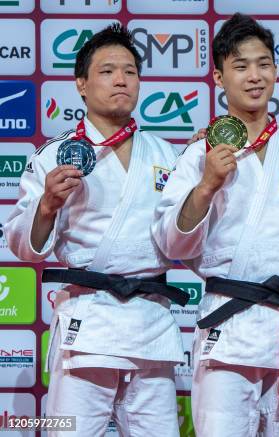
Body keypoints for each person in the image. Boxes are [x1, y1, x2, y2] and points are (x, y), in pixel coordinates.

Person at [151, 14, 279, 437]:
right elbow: (171, 242)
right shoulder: (199, 155)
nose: (255, 76)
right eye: (241, 65)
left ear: (276, 70)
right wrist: (208, 185)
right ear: (218, 76)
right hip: (229, 334)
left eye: (264, 64)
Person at [5, 24, 186, 436]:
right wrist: (47, 204)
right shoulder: (53, 155)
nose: (121, 79)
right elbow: (24, 246)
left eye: (130, 71)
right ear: (81, 85)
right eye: (107, 71)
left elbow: (185, 234)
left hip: (150, 323)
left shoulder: (167, 155)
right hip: (88, 325)